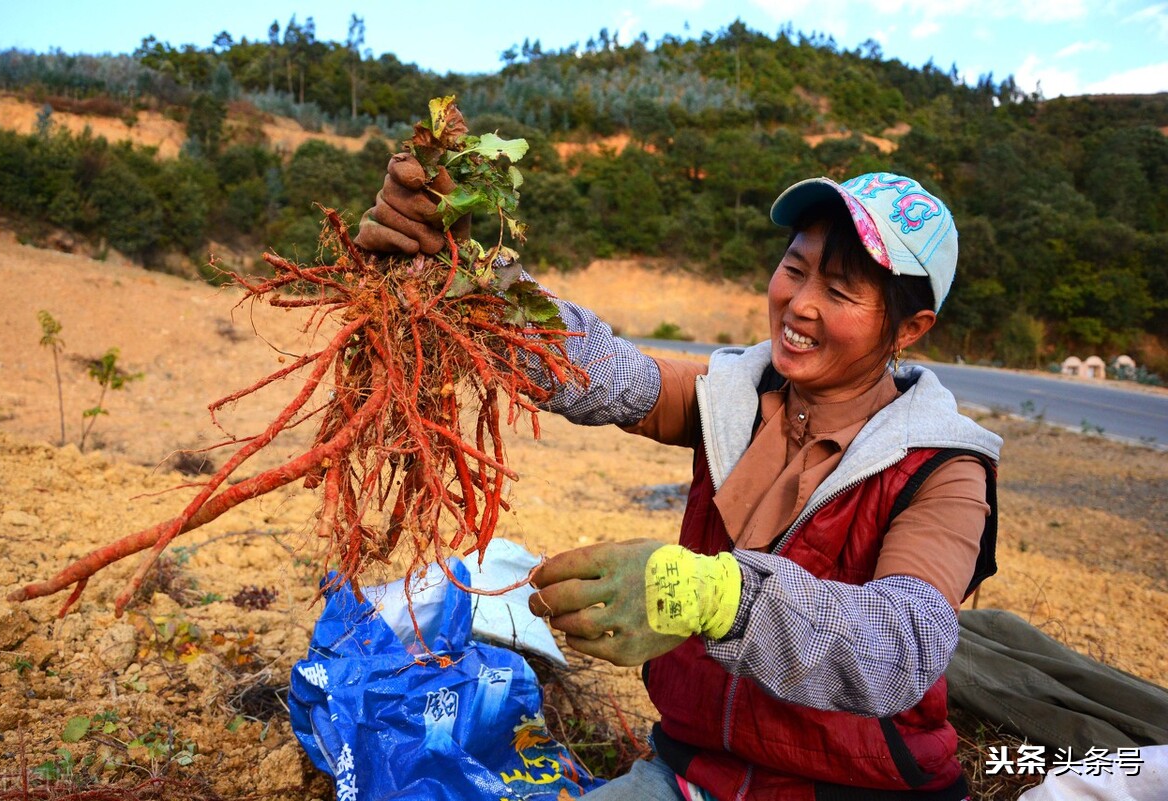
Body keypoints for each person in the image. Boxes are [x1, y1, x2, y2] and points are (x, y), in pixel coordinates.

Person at [357, 158, 1001, 801]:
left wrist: (716, 596)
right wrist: (474, 277)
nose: (799, 305)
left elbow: (903, 646)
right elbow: (606, 372)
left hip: (855, 790)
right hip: (695, 774)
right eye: (795, 269)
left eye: (839, 291)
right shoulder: (735, 397)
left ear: (910, 329)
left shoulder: (943, 468)